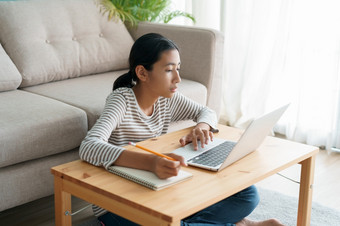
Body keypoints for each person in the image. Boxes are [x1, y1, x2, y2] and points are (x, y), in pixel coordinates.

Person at [79, 33, 283, 226]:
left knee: (247, 194)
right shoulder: (121, 101)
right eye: (169, 70)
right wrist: (151, 162)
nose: (178, 78)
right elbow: (89, 147)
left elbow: (206, 112)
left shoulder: (167, 99)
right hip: (116, 204)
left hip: (157, 192)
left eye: (178, 68)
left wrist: (201, 127)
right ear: (142, 73)